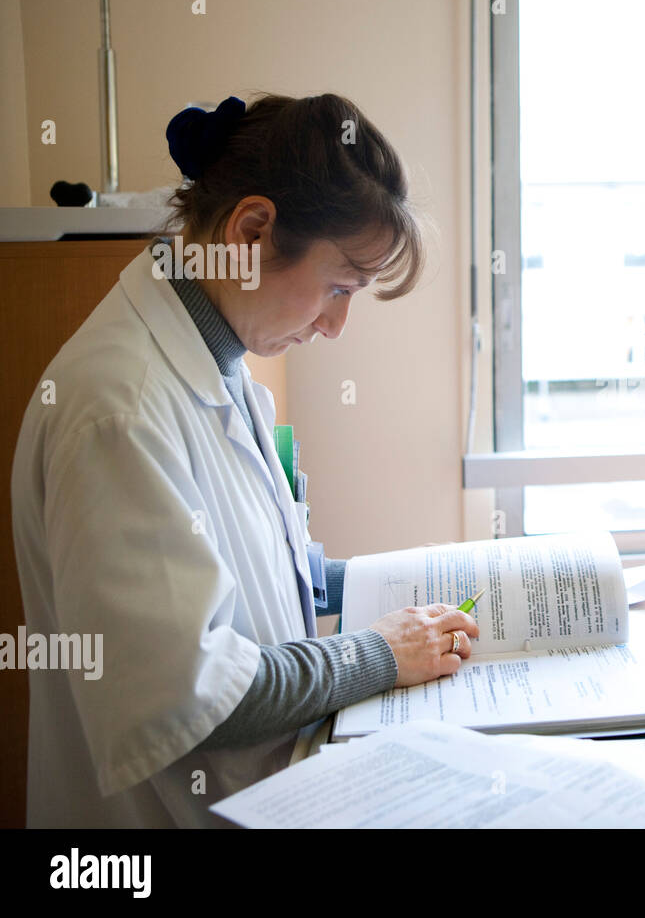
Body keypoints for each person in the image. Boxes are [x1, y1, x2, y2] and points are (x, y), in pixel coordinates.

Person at [11, 93, 478, 827]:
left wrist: (424, 581)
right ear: (253, 229)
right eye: (337, 288)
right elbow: (195, 694)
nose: (335, 325)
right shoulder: (119, 410)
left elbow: (269, 581)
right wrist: (381, 655)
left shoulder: (221, 365)